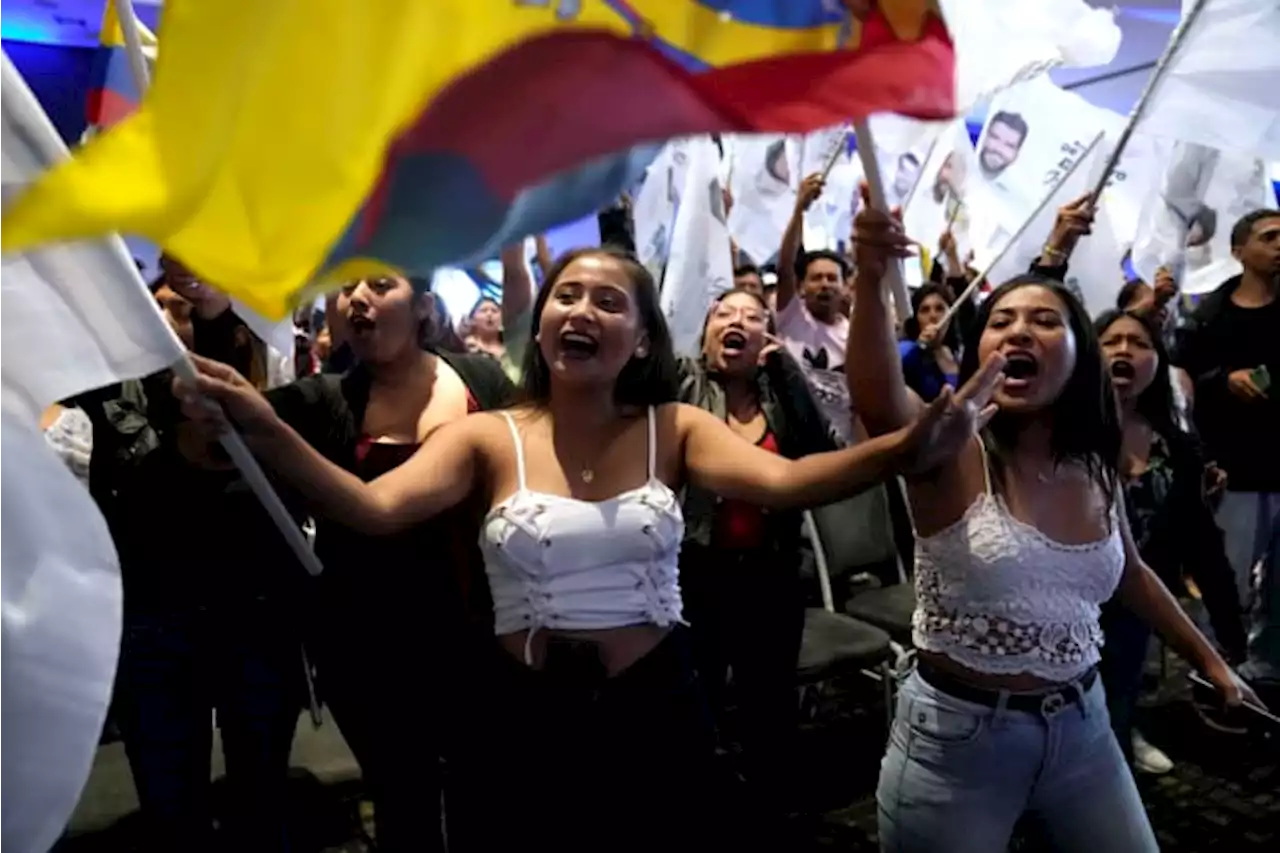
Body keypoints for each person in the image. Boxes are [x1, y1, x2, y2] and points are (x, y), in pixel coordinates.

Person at [176, 245, 1000, 853]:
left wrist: (905, 447)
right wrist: (263, 423)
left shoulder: (674, 428)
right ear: (541, 328)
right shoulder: (487, 435)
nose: (582, 311)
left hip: (655, 708)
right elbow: (373, 506)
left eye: (608, 302)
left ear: (642, 340)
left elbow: (791, 481)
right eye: (567, 296)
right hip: (520, 714)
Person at [846, 191, 1259, 853]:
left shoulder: (1096, 461)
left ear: (1077, 353)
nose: (1018, 330)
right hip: (958, 746)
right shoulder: (952, 446)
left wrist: (1209, 659)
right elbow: (876, 394)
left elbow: (1131, 572)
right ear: (980, 346)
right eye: (1001, 319)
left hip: (1084, 726)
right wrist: (868, 275)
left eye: (1044, 319)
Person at [183, 272, 514, 853]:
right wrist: (212, 316)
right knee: (401, 797)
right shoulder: (322, 400)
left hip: (484, 634)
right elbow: (229, 422)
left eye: (380, 284)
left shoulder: (482, 381)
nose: (357, 297)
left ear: (425, 309)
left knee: (486, 793)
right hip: (370, 646)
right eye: (346, 288)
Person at [676, 289, 837, 838]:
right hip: (695, 572)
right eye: (724, 314)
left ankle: (770, 817)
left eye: (751, 316)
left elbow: (821, 453)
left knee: (769, 707)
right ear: (705, 334)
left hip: (769, 576)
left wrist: (789, 371)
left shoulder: (778, 393)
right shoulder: (684, 385)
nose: (737, 322)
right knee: (697, 705)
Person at [1095, 309, 1246, 774]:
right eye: (1111, 341)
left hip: (1138, 596)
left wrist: (1228, 630)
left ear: (1158, 362)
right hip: (1063, 600)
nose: (1123, 350)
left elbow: (1201, 538)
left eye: (1138, 343)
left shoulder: (1175, 446)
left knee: (1119, 694)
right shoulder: (1057, 435)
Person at [1174, 209, 1280, 688]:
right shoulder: (1206, 320)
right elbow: (1182, 384)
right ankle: (1214, 671)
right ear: (1238, 251)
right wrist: (1222, 382)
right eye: (1269, 236)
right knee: (1228, 580)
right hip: (1234, 471)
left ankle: (1266, 668)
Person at [899, 283, 960, 402]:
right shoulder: (906, 348)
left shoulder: (957, 354)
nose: (933, 316)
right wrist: (919, 348)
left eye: (940, 309)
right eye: (925, 310)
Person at [978, 110, 1028, 180]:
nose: (999, 149)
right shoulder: (960, 163)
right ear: (984, 137)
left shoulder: (1012, 190)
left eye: (1009, 146)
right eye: (995, 138)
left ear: (1016, 154)